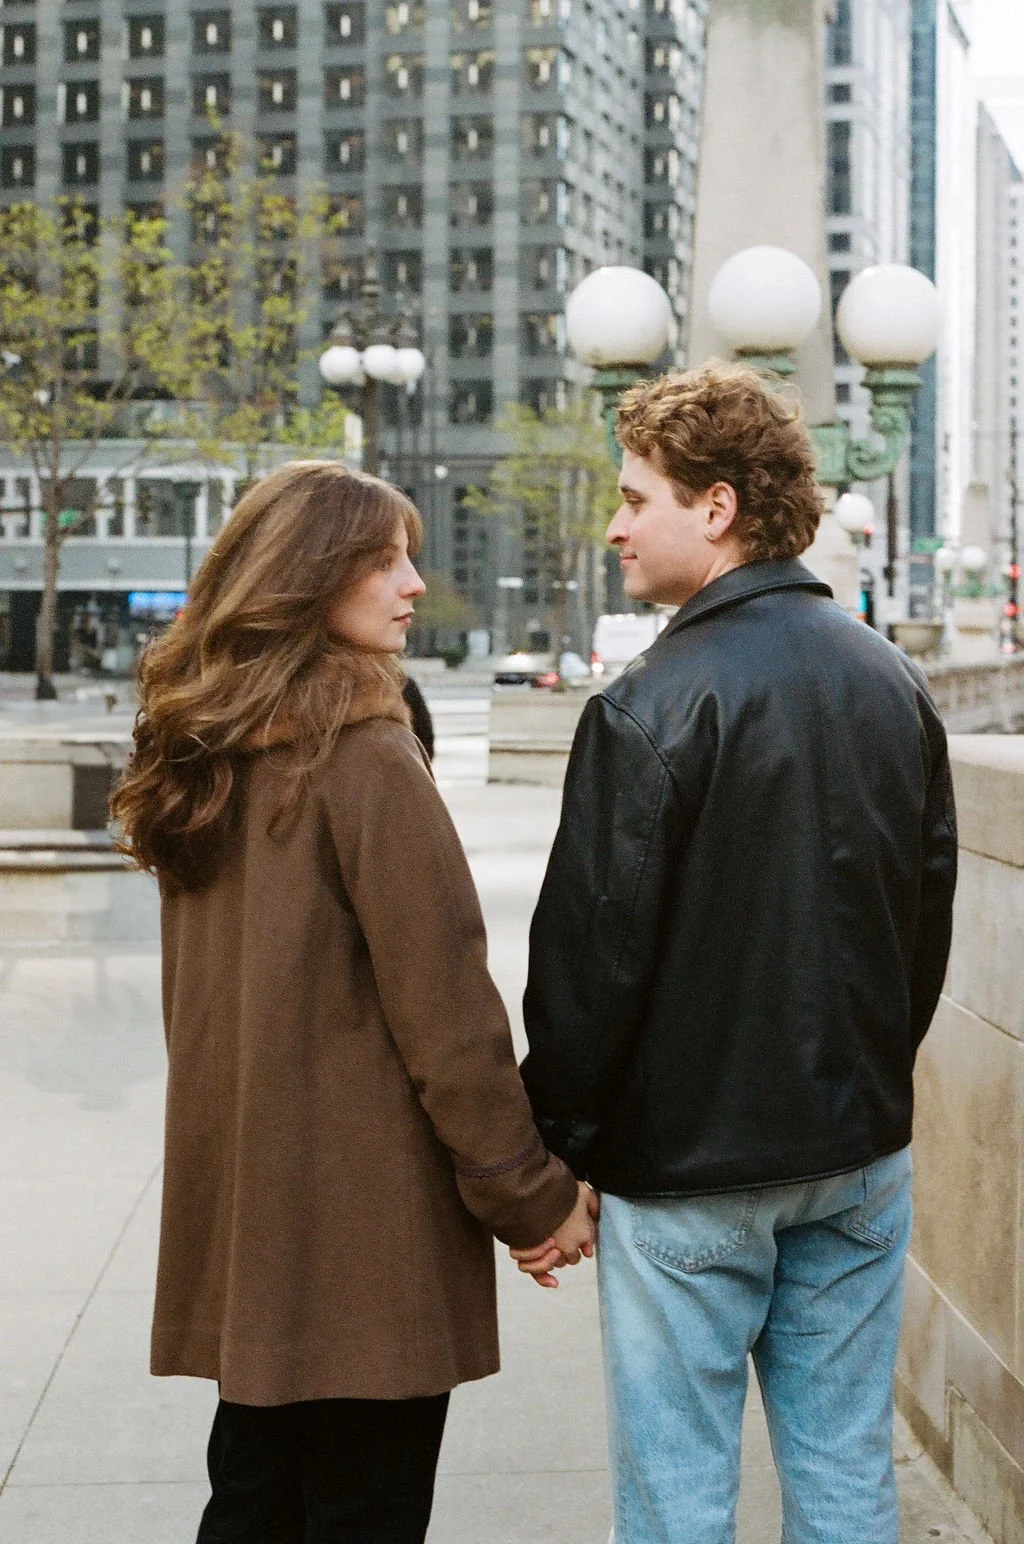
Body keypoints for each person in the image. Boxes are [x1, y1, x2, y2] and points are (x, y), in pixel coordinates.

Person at [110, 460, 595, 1544]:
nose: (413, 582)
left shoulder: (203, 747)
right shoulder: (362, 753)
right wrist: (530, 1196)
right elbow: (449, 1013)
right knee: (360, 1505)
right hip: (361, 1222)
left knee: (253, 1492)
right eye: (382, 560)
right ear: (306, 575)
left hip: (254, 1200)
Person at [512, 365, 957, 1544]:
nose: (613, 523)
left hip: (688, 1166)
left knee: (676, 1496)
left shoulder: (647, 704)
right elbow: (923, 926)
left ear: (715, 507)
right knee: (844, 1467)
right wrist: (866, 1076)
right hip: (856, 1150)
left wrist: (559, 1154)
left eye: (633, 496)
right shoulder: (894, 682)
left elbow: (587, 972)